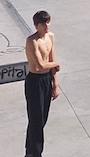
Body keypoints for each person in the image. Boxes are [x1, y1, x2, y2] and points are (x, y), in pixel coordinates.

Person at [24, 10, 60, 157]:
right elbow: (39, 65)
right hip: (35, 81)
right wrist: (56, 64)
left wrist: (55, 85)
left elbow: (51, 61)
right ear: (36, 25)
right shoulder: (32, 41)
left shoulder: (50, 37)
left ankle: (30, 151)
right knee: (36, 119)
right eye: (43, 23)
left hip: (46, 80)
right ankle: (36, 153)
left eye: (48, 22)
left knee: (41, 118)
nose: (47, 26)